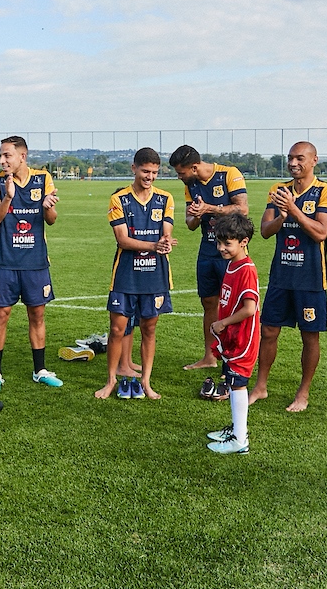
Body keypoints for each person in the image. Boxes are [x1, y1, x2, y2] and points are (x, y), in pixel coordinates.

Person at [248, 142, 327, 413]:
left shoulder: (326, 191)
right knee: (268, 331)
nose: (293, 163)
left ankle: (303, 392)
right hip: (281, 276)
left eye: (300, 158)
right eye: (290, 158)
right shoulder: (279, 190)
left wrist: (294, 210)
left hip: (310, 278)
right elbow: (265, 230)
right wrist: (283, 216)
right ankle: (261, 386)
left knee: (309, 336)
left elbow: (321, 232)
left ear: (314, 161)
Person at [94, 148, 176, 401]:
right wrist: (154, 245)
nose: (150, 177)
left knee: (149, 330)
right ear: (134, 169)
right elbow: (122, 239)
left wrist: (166, 240)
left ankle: (146, 383)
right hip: (126, 275)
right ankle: (110, 381)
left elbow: (167, 229)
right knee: (117, 330)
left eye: (154, 172)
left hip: (155, 275)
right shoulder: (119, 199)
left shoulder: (165, 198)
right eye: (145, 171)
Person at [0, 136, 62, 394]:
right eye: (1, 156)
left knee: (37, 314)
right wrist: (8, 198)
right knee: (0, 315)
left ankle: (40, 370)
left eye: (7, 155)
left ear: (22, 156)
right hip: (5, 261)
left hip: (36, 262)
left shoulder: (42, 179)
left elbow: (51, 219)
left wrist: (48, 207)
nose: (2, 160)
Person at [169, 145, 249, 372]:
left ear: (194, 167)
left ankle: (235, 356)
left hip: (232, 253)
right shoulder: (190, 186)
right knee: (208, 303)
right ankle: (210, 355)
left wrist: (209, 208)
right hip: (207, 250)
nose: (179, 177)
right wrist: (195, 216)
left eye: (181, 172)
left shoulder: (229, 174)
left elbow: (242, 209)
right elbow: (191, 224)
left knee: (234, 304)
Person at [203, 214, 261, 455]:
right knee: (230, 380)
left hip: (242, 339)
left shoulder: (246, 269)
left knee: (238, 385)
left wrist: (223, 322)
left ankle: (240, 440)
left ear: (244, 242)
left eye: (228, 243)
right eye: (219, 243)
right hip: (231, 336)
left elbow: (250, 308)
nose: (221, 248)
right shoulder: (232, 265)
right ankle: (236, 429)